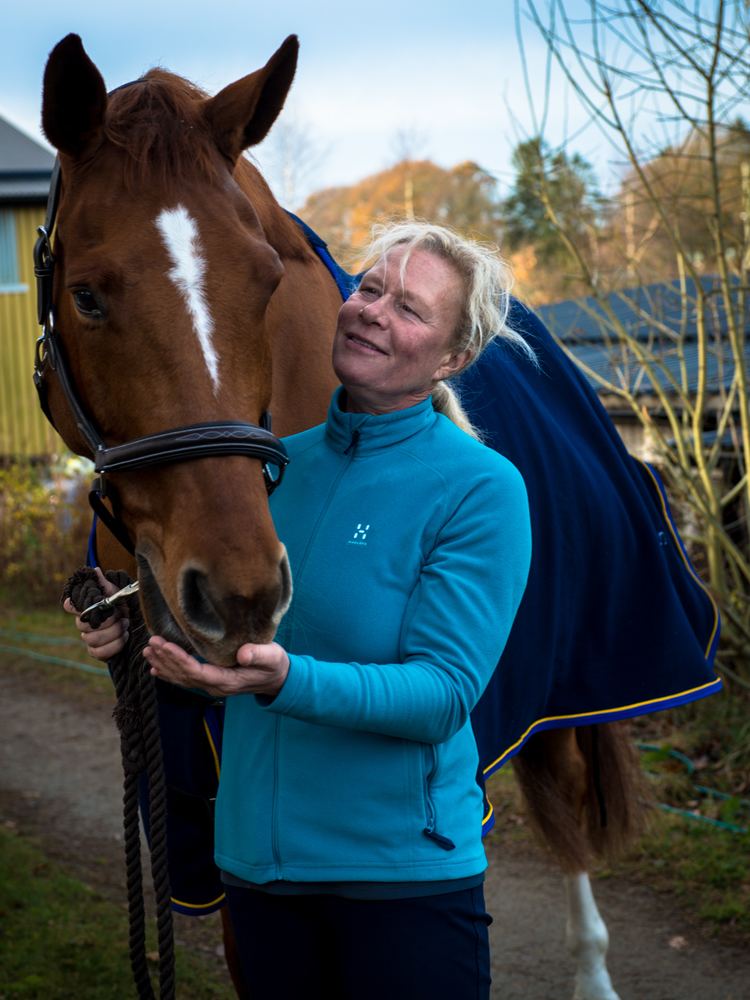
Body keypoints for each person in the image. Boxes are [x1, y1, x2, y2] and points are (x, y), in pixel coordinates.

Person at [67, 221, 533, 999]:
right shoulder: (273, 468)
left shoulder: (481, 488)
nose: (374, 311)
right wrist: (139, 640)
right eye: (371, 288)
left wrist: (285, 681)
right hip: (260, 875)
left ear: (453, 358)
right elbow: (231, 657)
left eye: (409, 308)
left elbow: (444, 695)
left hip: (399, 883)